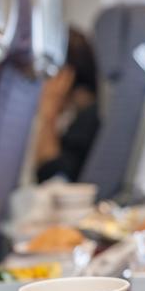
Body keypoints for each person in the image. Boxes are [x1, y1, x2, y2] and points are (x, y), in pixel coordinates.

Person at [35, 28, 100, 183]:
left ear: (64, 74)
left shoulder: (88, 119)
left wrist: (49, 109)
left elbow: (51, 177)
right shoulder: (84, 112)